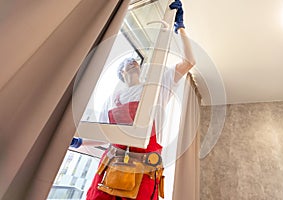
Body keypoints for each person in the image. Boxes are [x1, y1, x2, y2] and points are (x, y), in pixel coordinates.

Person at [71, 1, 195, 199]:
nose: (131, 61)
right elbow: (107, 135)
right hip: (108, 174)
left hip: (143, 173)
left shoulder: (158, 85)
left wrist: (179, 28)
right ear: (121, 72)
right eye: (125, 62)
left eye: (134, 60)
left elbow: (189, 61)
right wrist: (79, 141)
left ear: (140, 67)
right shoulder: (113, 99)